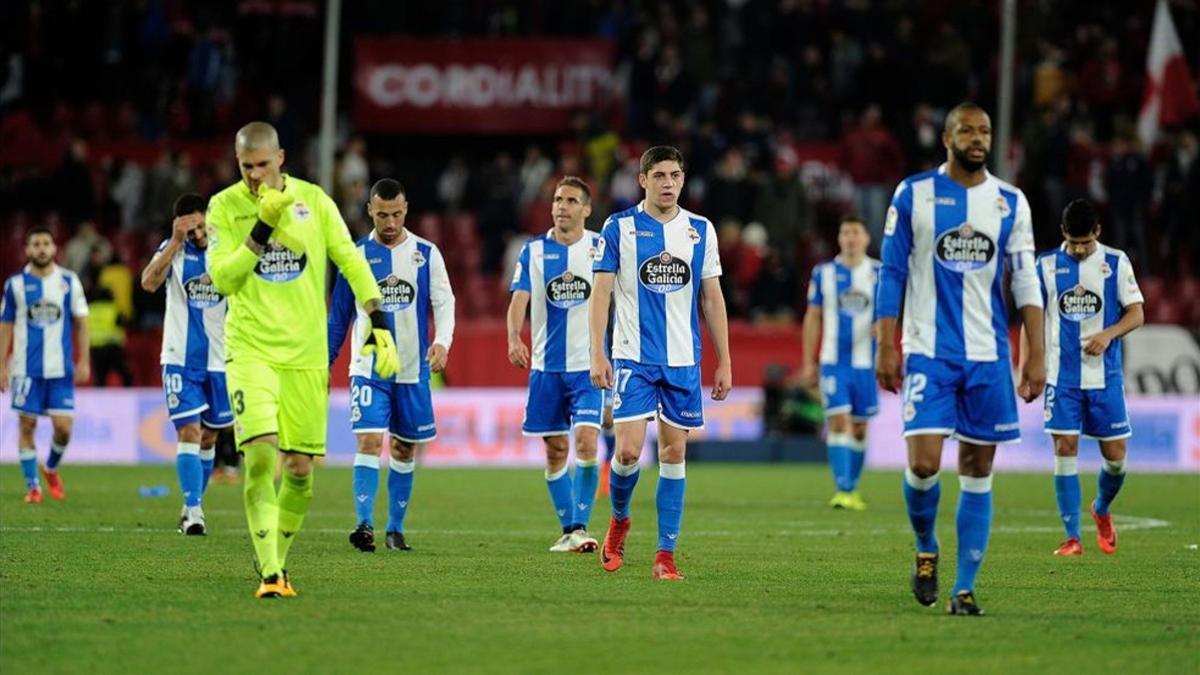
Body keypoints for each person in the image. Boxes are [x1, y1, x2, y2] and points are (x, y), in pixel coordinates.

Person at [207, 122, 398, 599]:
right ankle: (270, 573)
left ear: (281, 158)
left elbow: (351, 261)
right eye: (246, 167)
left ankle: (278, 558)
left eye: (262, 165)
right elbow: (225, 280)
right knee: (261, 456)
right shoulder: (223, 207)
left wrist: (378, 320)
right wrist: (261, 227)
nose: (254, 175)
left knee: (299, 472)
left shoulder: (313, 201)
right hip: (250, 350)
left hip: (307, 356)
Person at [875, 102, 1046, 616]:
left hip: (988, 355)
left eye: (985, 130)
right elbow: (891, 272)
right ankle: (927, 545)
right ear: (946, 139)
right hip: (927, 349)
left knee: (978, 468)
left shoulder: (1010, 202)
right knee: (924, 464)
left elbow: (1025, 280)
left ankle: (964, 588)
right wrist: (887, 342)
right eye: (967, 130)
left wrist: (1035, 352)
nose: (978, 137)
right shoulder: (914, 194)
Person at [589, 146, 732, 581]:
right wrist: (598, 350)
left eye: (675, 175)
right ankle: (619, 520)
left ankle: (665, 555)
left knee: (674, 453)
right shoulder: (619, 227)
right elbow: (601, 294)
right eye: (660, 176)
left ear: (683, 180)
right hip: (633, 356)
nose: (668, 183)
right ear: (643, 180)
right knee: (629, 451)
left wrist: (724, 360)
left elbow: (712, 298)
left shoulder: (700, 230)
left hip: (683, 361)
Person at [329, 178, 455, 554]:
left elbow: (444, 302)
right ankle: (364, 524)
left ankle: (395, 529)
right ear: (370, 210)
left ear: (406, 210)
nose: (389, 222)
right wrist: (325, 363)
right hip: (370, 367)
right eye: (382, 214)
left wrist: (442, 341)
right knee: (369, 440)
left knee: (403, 449)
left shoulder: (426, 253)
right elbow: (338, 317)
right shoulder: (354, 255)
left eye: (396, 214)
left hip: (413, 370)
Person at [1035, 198, 1143, 557]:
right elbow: (1032, 319)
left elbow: (1137, 314)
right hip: (1060, 378)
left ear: (1098, 231)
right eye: (1074, 241)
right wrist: (1027, 368)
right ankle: (1072, 537)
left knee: (1116, 459)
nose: (1080, 249)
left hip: (1104, 378)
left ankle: (1101, 508)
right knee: (1064, 448)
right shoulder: (1046, 265)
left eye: (1086, 241)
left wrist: (1108, 333)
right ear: (1063, 232)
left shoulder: (1115, 262)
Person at [506, 176, 603, 553]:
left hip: (588, 366)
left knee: (587, 441)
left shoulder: (599, 248)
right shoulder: (533, 251)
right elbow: (518, 300)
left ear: (586, 209)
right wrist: (514, 337)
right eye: (558, 200)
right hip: (546, 367)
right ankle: (569, 530)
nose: (562, 206)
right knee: (555, 451)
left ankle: (580, 526)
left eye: (571, 200)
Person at [140, 193, 232, 535]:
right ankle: (194, 512)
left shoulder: (227, 248)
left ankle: (192, 502)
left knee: (209, 438)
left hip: (222, 361)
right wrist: (175, 243)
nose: (197, 235)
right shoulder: (172, 249)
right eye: (188, 230)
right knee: (189, 432)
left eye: (199, 227)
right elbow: (148, 283)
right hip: (179, 359)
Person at [0, 228, 90, 503]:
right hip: (26, 370)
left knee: (63, 429)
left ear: (54, 248)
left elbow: (82, 321)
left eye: (46, 243)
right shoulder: (15, 285)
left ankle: (50, 468)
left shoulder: (68, 281)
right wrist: (2, 364)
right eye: (35, 244)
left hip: (60, 370)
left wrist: (84, 360)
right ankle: (33, 487)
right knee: (26, 425)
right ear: (27, 250)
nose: (41, 248)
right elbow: (5, 325)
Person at [800, 215, 881, 510]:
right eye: (845, 232)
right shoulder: (824, 273)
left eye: (855, 233)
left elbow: (891, 315)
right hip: (833, 362)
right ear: (839, 238)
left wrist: (883, 330)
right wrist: (809, 361)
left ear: (866, 238)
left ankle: (853, 487)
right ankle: (843, 489)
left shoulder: (879, 273)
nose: (850, 238)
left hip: (867, 364)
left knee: (859, 428)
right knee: (837, 421)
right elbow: (812, 318)